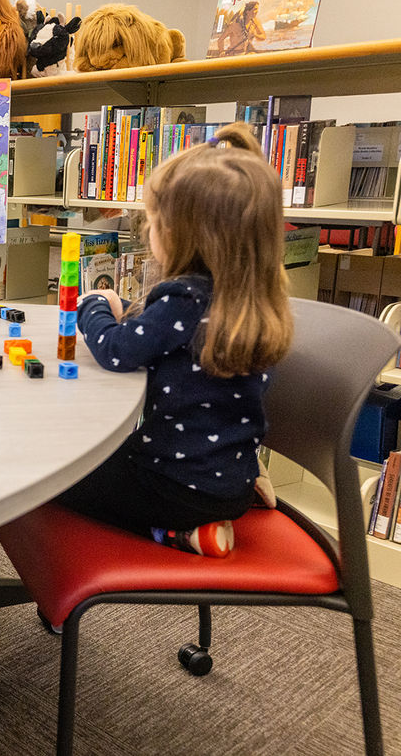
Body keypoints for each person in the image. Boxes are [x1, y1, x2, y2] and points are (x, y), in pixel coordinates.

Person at [64, 122, 292, 557]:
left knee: (54, 475)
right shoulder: (257, 301)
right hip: (234, 482)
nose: (149, 232)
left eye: (153, 222)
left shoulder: (184, 298)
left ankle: (173, 534)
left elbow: (116, 351)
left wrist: (92, 305)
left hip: (172, 487)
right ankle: (190, 526)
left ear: (181, 234)